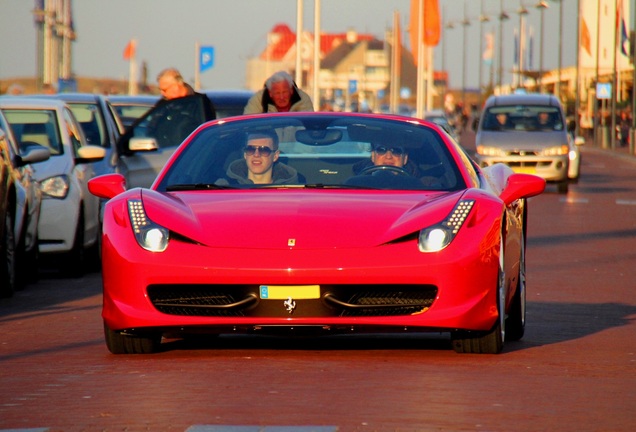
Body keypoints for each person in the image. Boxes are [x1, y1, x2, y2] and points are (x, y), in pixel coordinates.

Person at [224, 131, 299, 185]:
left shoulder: (293, 191)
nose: (256, 154)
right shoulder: (222, 187)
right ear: (245, 154)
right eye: (251, 149)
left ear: (275, 156)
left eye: (264, 150)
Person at [243, 71, 314, 114]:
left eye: (285, 92)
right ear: (270, 93)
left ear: (291, 91)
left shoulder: (303, 100)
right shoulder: (258, 101)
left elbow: (310, 126)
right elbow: (248, 126)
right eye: (277, 93)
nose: (281, 97)